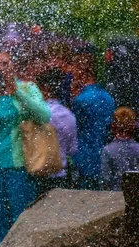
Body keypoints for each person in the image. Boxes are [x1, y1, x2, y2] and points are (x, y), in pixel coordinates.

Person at [0, 52, 51, 247]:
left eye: (4, 63)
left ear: (12, 66)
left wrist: (17, 93)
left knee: (21, 220)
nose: (0, 68)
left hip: (19, 167)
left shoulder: (27, 88)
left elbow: (44, 115)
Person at [70, 49, 116, 190]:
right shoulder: (108, 97)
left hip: (85, 158)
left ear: (80, 72)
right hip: (103, 155)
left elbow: (74, 129)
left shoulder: (81, 100)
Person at [35, 68, 78, 193]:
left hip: (39, 175)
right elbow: (73, 149)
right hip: (62, 174)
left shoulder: (38, 116)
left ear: (44, 88)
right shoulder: (68, 114)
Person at [101, 107, 139, 191]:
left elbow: (105, 179)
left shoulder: (108, 150)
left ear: (113, 125)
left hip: (115, 195)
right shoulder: (137, 149)